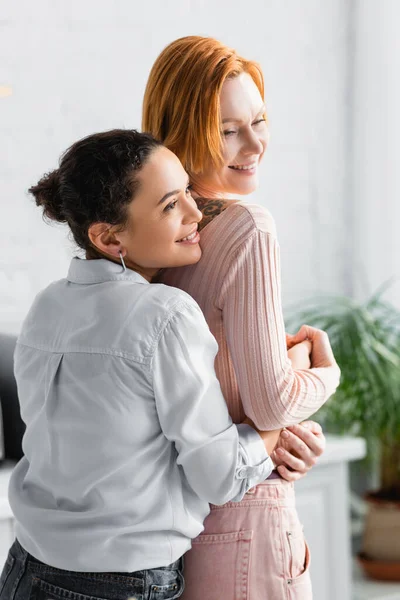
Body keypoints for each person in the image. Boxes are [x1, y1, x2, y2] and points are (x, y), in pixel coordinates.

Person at [0, 129, 285, 600]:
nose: (197, 213)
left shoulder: (46, 305)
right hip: (120, 584)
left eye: (188, 194)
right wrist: (278, 422)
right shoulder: (166, 314)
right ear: (109, 236)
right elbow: (219, 477)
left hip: (24, 571)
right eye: (171, 205)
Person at [142, 36, 341, 599]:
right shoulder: (249, 227)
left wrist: (286, 432)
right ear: (182, 133)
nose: (254, 144)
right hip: (247, 516)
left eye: (259, 120)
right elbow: (270, 403)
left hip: (172, 525)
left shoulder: (153, 241)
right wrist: (321, 369)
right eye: (228, 130)